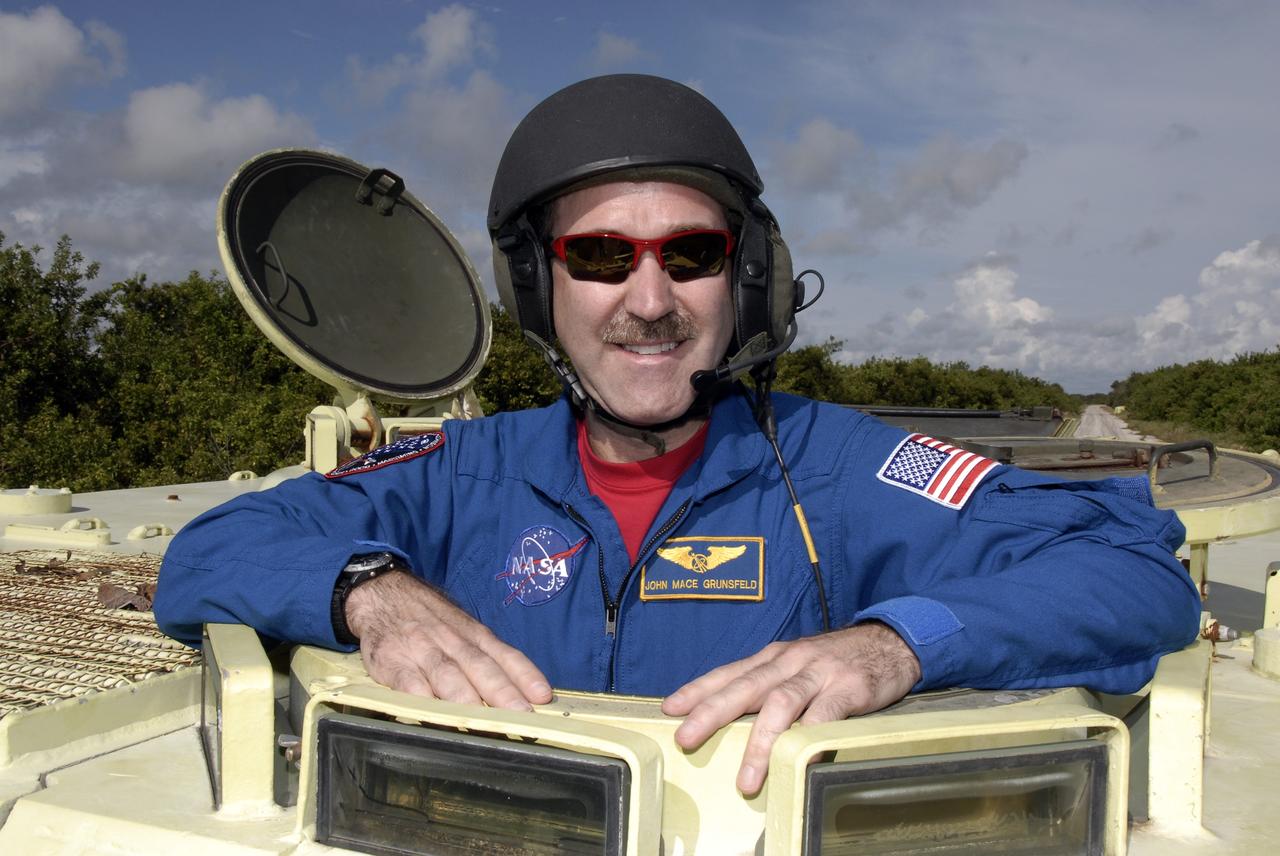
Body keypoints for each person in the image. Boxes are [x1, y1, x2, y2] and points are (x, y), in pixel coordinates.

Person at [155, 73, 1200, 796]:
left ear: (745, 280)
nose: (647, 299)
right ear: (538, 284)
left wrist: (896, 644)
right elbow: (209, 550)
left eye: (690, 253)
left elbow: (1127, 566)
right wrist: (367, 587)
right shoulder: (457, 472)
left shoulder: (842, 466)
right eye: (600, 255)